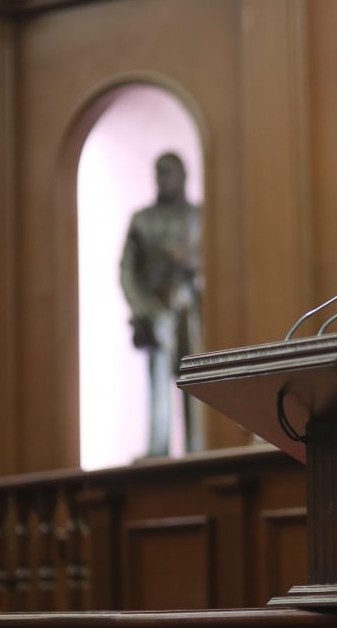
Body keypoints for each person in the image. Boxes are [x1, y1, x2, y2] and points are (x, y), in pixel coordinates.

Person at [120, 152, 203, 457]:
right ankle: (158, 447)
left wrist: (191, 263)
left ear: (184, 176)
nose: (163, 178)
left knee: (197, 375)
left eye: (169, 172)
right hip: (155, 310)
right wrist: (142, 308)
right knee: (157, 378)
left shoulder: (199, 217)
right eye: (159, 172)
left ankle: (197, 445)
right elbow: (127, 271)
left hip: (190, 310)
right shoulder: (142, 221)